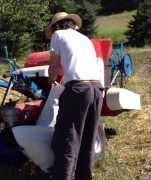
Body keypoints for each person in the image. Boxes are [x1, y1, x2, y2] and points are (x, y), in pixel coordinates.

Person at [46, 12, 104, 180]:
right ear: (72, 24)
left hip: (78, 90)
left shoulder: (58, 35)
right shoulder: (85, 39)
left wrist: (51, 81)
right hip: (96, 90)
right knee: (87, 139)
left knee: (67, 140)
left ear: (57, 26)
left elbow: (54, 67)